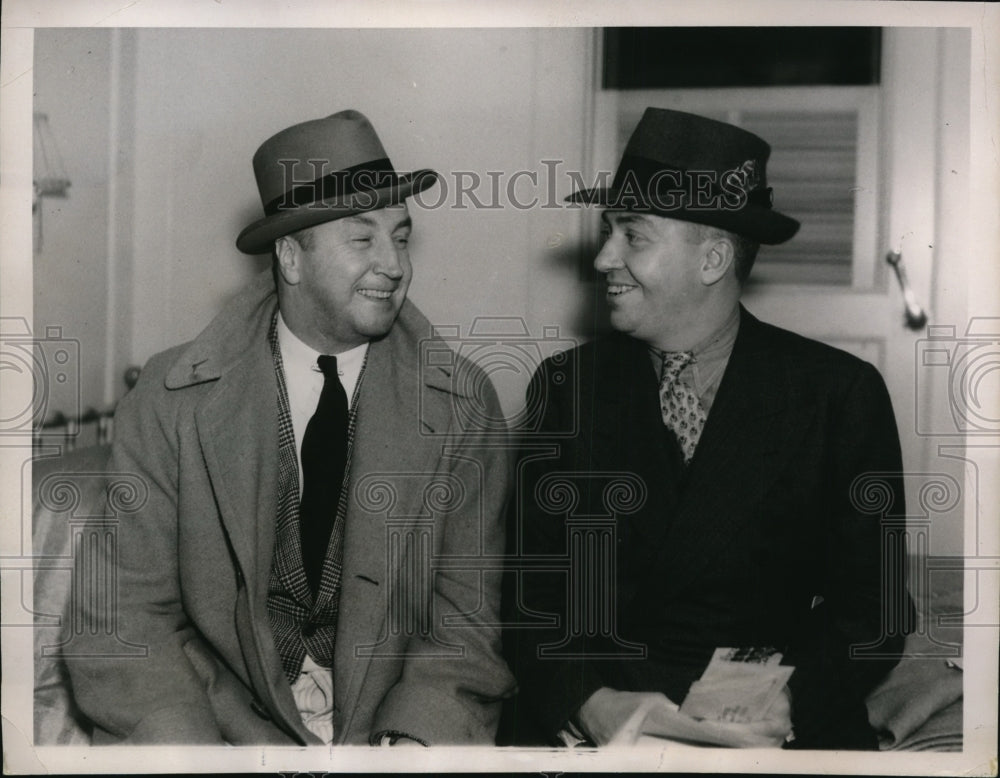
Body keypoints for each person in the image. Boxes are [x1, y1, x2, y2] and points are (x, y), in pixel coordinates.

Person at [66, 110, 515, 745]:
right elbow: (123, 618)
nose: (395, 265)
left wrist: (414, 740)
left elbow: (465, 624)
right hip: (219, 722)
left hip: (386, 730)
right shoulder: (169, 399)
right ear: (291, 258)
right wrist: (193, 751)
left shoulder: (462, 403)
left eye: (402, 236)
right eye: (363, 240)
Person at [503, 108, 913, 750]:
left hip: (768, 723)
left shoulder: (837, 394)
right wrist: (589, 702)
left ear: (714, 258)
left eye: (633, 236)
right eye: (609, 230)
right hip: (602, 718)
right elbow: (532, 598)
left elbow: (876, 612)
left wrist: (787, 701)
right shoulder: (566, 389)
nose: (605, 257)